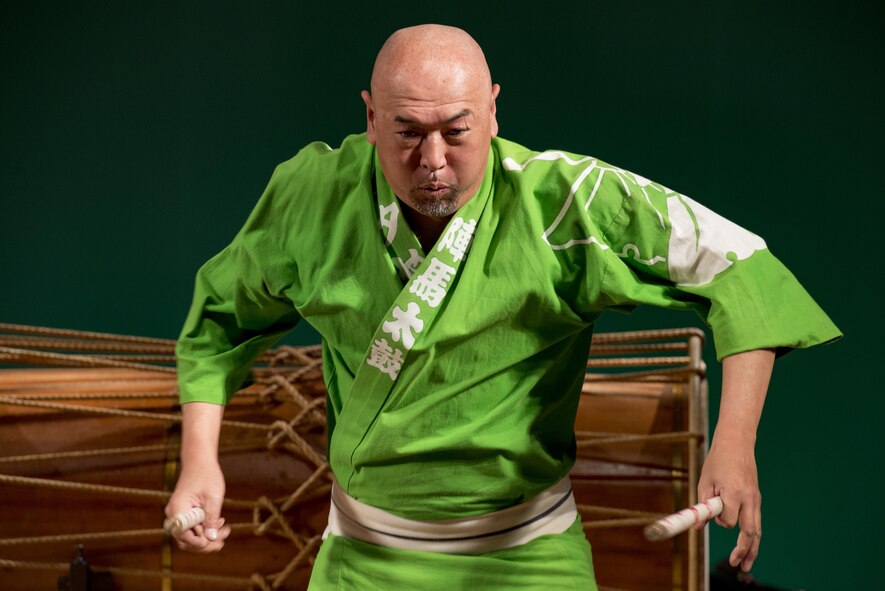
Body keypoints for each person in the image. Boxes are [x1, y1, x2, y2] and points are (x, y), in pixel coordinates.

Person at [166, 24, 841, 590]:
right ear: (369, 117)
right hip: (362, 559)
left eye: (456, 131)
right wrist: (200, 458)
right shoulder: (311, 196)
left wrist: (734, 440)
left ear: (492, 111)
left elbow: (741, 265)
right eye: (406, 132)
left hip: (528, 557)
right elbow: (221, 315)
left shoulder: (564, 201)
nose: (433, 160)